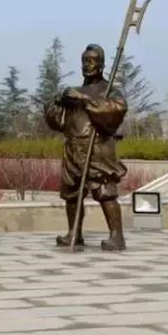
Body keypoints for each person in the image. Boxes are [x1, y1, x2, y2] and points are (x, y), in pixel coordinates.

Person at [45, 44, 128, 250]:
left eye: (91, 61)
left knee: (104, 192)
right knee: (72, 194)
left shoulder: (108, 90)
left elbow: (117, 109)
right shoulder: (75, 92)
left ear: (101, 64)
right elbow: (59, 121)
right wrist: (57, 102)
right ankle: (74, 232)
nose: (87, 65)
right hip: (73, 148)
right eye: (84, 61)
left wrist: (84, 99)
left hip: (97, 148)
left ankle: (117, 236)